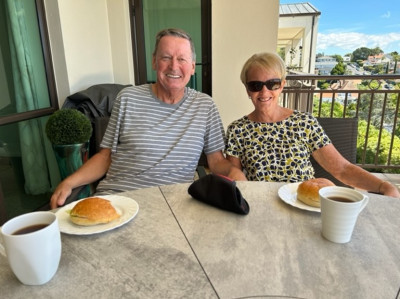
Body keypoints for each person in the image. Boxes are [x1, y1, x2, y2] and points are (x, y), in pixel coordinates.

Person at [50, 28, 246, 209]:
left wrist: (233, 172)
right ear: (154, 61)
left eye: (182, 59)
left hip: (173, 206)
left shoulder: (205, 106)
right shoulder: (128, 98)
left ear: (193, 67)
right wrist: (69, 182)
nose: (174, 66)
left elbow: (216, 161)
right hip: (118, 199)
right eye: (166, 57)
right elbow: (105, 157)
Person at [225, 52, 400, 198]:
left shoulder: (304, 123)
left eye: (273, 84)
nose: (264, 91)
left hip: (305, 204)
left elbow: (342, 169)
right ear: (247, 89)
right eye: (256, 85)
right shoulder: (237, 129)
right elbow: (235, 177)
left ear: (282, 85)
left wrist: (382, 186)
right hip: (261, 206)